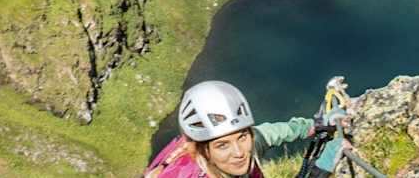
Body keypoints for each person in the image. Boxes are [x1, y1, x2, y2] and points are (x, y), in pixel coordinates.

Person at [145, 80, 344, 178]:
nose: (240, 152)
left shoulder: (239, 144)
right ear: (203, 151)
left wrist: (312, 126)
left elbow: (267, 134)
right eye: (222, 145)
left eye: (242, 137)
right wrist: (321, 168)